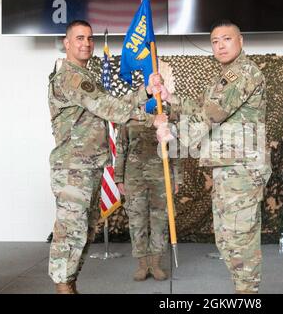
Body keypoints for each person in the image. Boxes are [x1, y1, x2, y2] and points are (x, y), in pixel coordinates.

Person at [154, 20, 271, 294]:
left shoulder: (242, 72)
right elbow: (205, 108)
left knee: (239, 238)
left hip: (242, 170)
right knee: (228, 237)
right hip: (228, 168)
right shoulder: (226, 75)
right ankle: (243, 290)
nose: (220, 45)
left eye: (226, 39)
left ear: (240, 40)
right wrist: (171, 98)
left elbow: (212, 115)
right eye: (215, 41)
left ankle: (247, 293)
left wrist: (173, 133)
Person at [47, 20, 160, 294]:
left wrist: (145, 90)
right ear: (66, 42)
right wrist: (152, 119)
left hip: (90, 167)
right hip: (73, 168)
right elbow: (108, 107)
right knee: (70, 233)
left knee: (84, 232)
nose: (86, 43)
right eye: (79, 38)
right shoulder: (70, 77)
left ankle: (69, 284)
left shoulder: (86, 78)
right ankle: (63, 288)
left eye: (89, 38)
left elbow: (109, 103)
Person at [114, 107, 173, 282]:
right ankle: (142, 264)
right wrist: (119, 177)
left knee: (159, 220)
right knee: (137, 220)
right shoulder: (129, 112)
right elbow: (121, 147)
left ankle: (155, 264)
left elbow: (176, 147)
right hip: (134, 176)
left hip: (161, 175)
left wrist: (177, 178)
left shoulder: (165, 110)